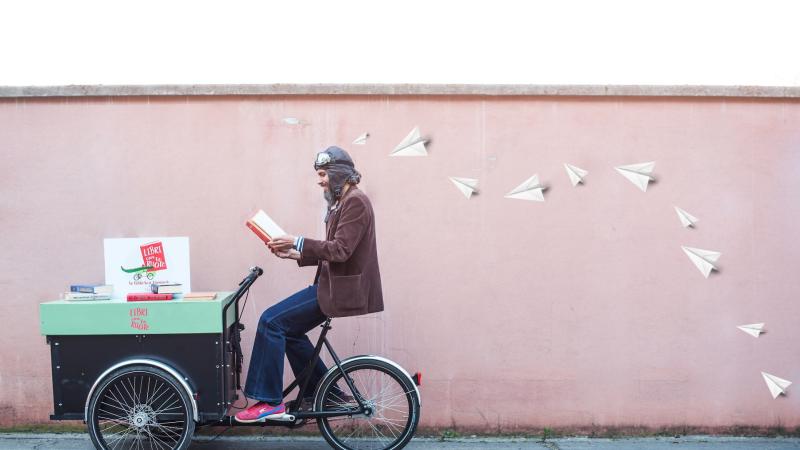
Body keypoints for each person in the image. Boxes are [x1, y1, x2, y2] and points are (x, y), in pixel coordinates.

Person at [235, 146, 384, 422]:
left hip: (337, 291)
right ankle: (328, 394)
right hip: (331, 287)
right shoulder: (343, 202)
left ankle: (269, 402)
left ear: (340, 173)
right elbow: (333, 251)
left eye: (323, 174)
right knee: (288, 332)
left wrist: (297, 240)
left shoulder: (356, 202)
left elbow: (340, 250)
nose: (320, 180)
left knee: (270, 322)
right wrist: (296, 254)